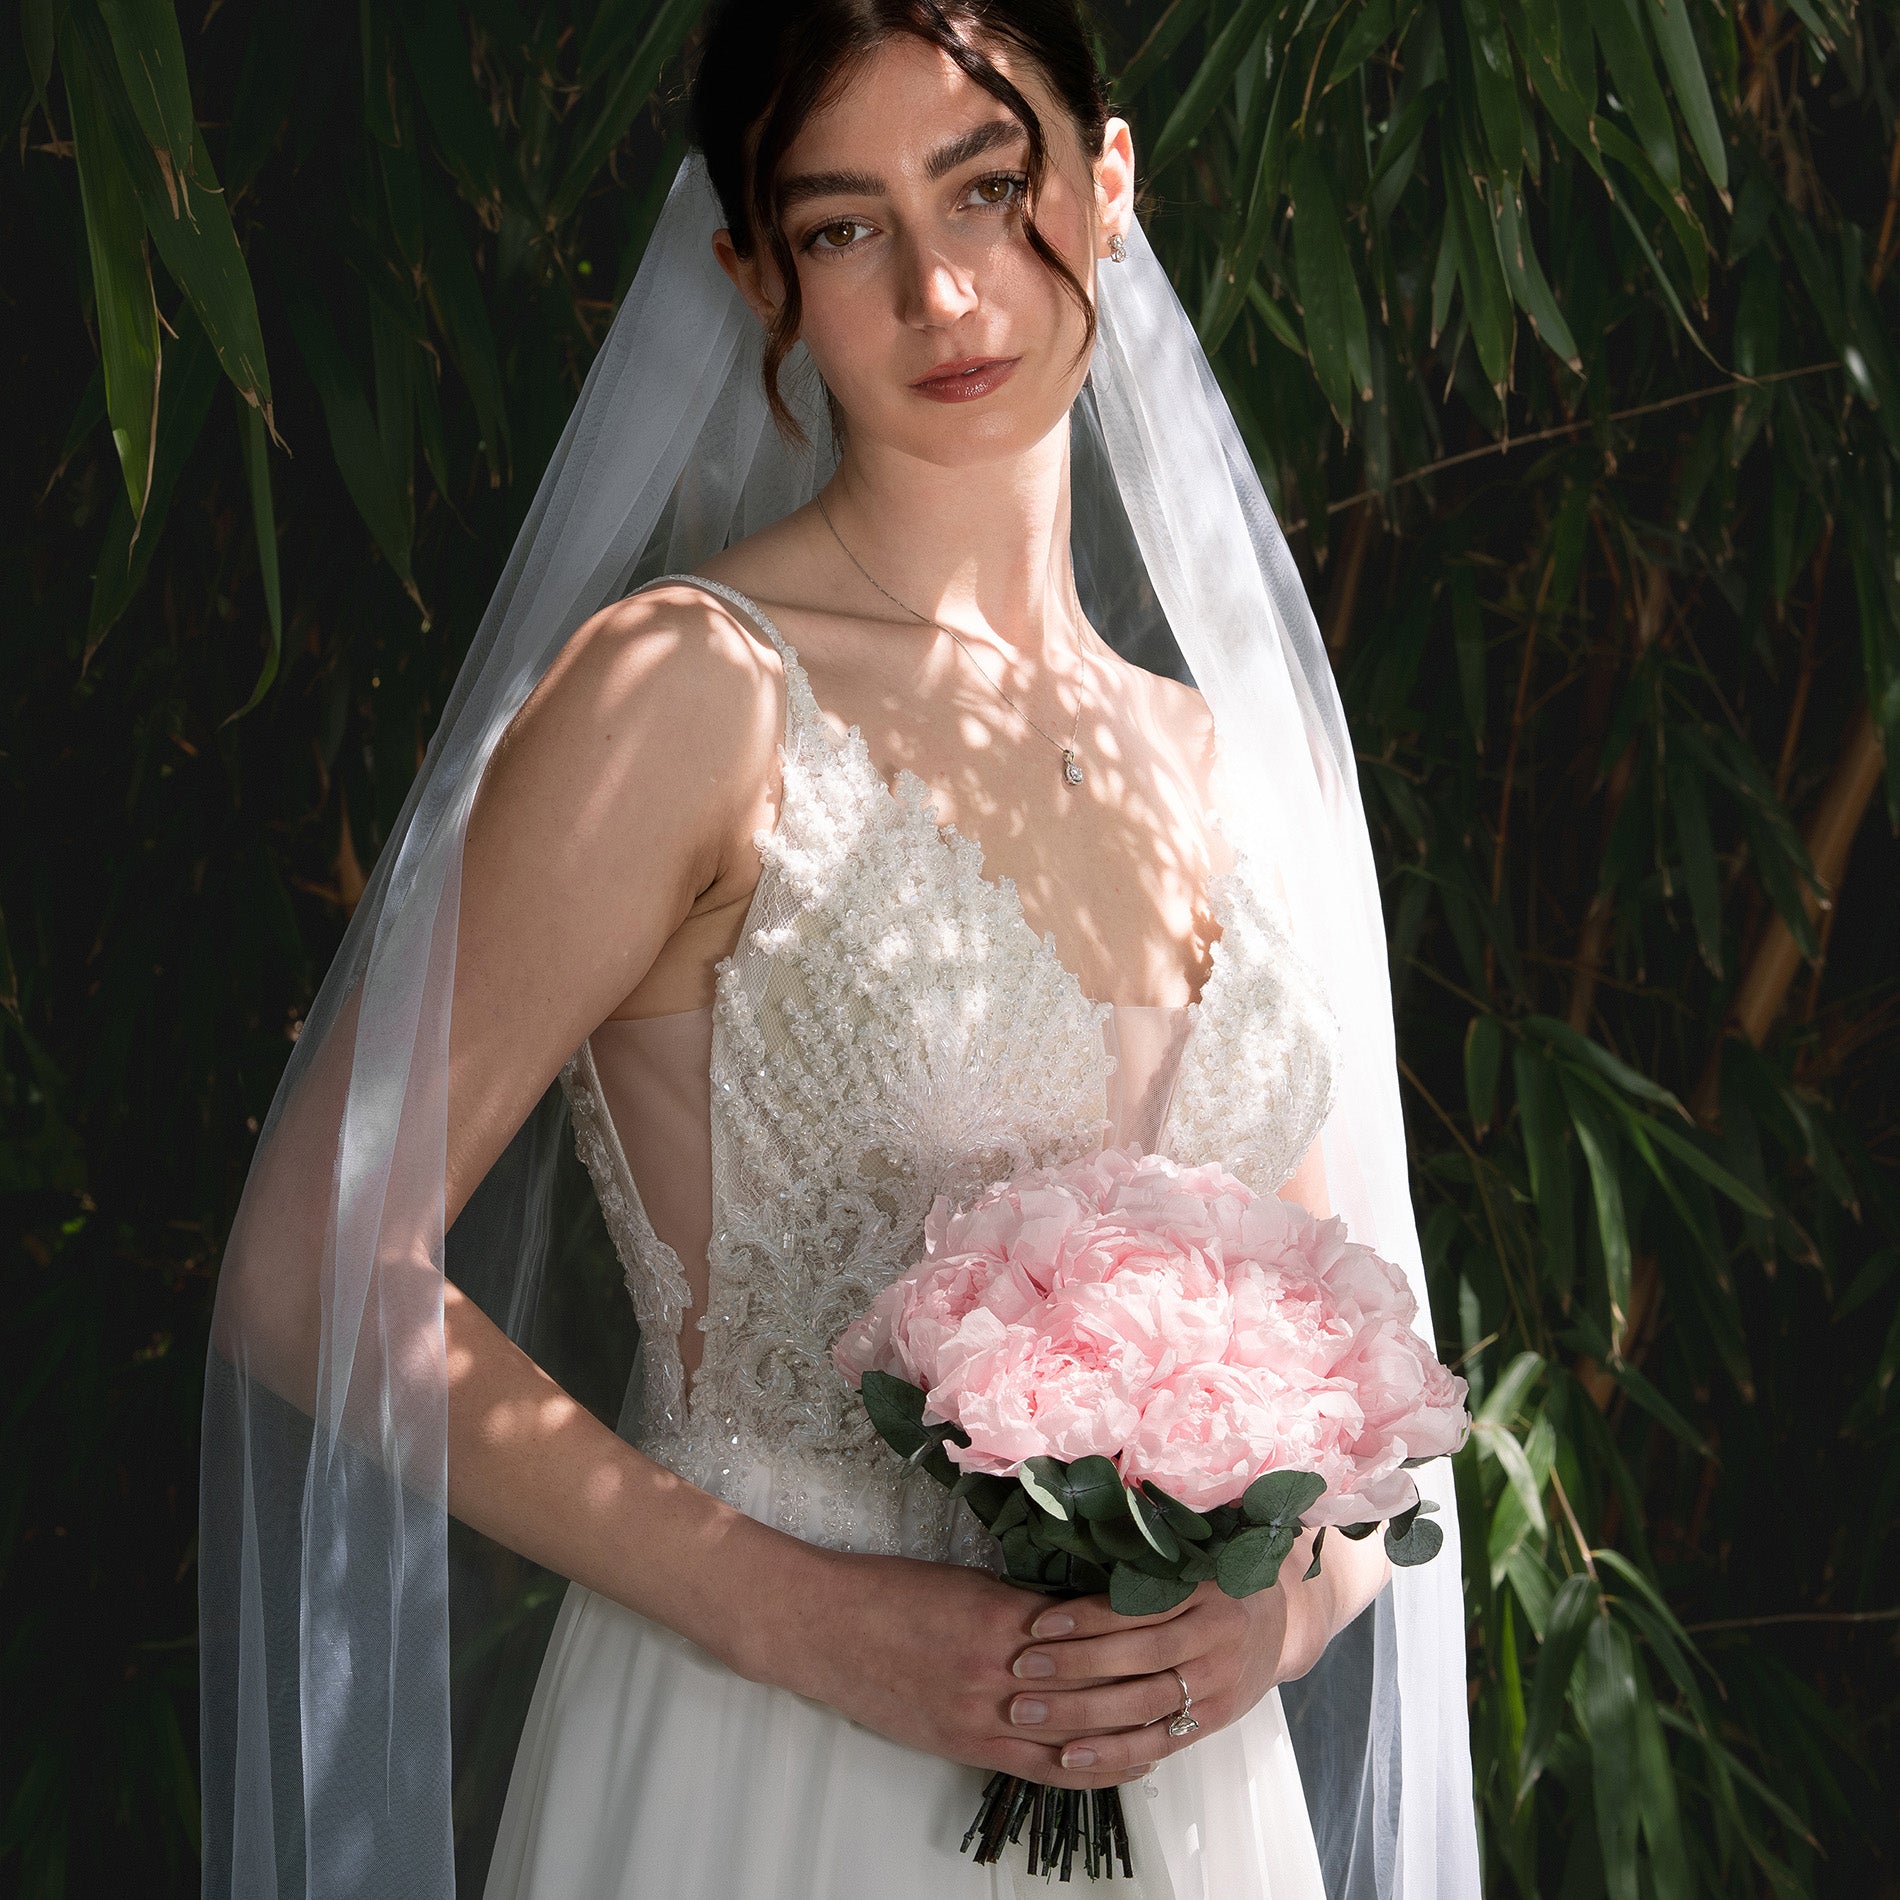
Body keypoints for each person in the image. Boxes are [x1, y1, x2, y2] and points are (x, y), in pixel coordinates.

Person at [198, 4, 1480, 1897]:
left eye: (990, 185)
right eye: (844, 226)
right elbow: (307, 1274)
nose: (948, 287)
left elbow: (1369, 1386)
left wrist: (1264, 1626)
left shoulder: (1234, 759)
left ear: (1108, 183)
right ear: (757, 277)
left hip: (1191, 1800)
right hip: (773, 1762)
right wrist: (806, 1617)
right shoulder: (690, 694)